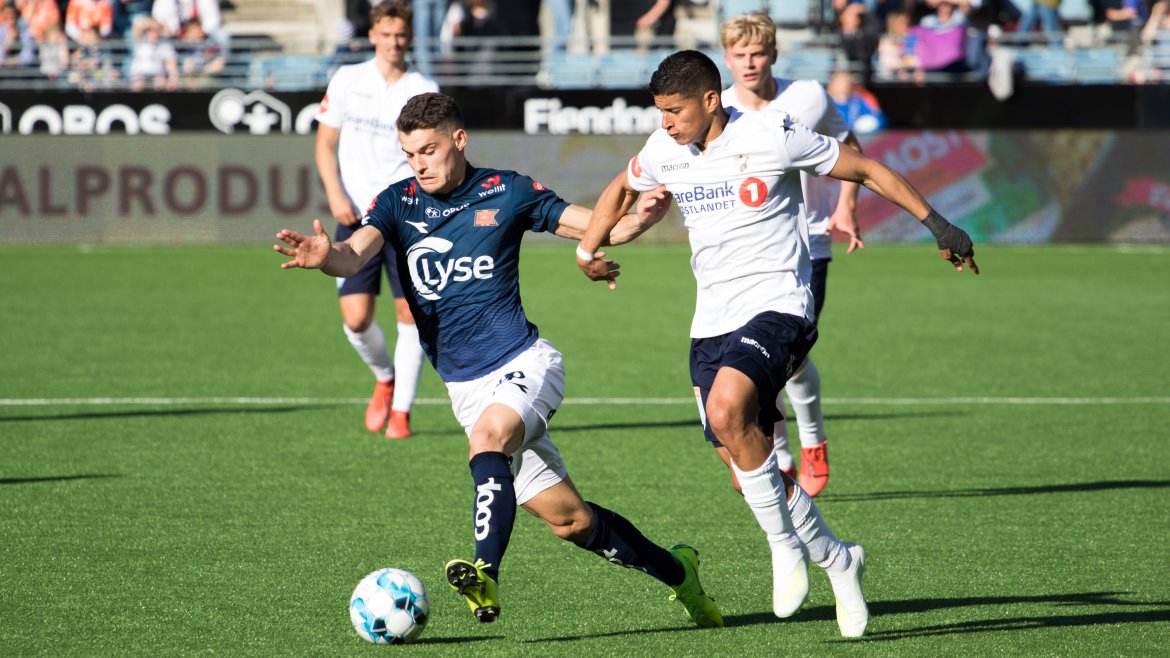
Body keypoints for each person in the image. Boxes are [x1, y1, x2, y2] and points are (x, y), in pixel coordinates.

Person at [274, 91, 724, 630]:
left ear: (458, 141)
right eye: (409, 153)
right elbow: (355, 251)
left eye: (428, 150)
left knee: (487, 440)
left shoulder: (507, 192)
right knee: (572, 522)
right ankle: (680, 574)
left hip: (525, 364)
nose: (418, 163)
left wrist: (639, 217)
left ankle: (485, 571)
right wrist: (328, 260)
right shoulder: (397, 202)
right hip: (465, 390)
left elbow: (604, 228)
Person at [577, 49, 978, 637]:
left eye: (674, 111)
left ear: (711, 101)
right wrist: (589, 250)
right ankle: (839, 561)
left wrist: (938, 224)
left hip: (779, 308)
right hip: (709, 323)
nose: (665, 122)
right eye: (659, 112)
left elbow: (864, 169)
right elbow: (619, 186)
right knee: (746, 458)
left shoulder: (773, 134)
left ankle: (782, 548)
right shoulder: (666, 148)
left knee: (726, 411)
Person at [720, 12, 866, 498]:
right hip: (742, 255)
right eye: (739, 55)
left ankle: (812, 441)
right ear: (726, 58)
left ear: (774, 54)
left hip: (808, 244)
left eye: (757, 53)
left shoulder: (807, 97)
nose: (749, 63)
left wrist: (847, 206)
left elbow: (850, 146)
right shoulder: (716, 107)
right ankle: (777, 458)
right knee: (754, 369)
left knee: (788, 360)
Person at [315, 0, 436, 440]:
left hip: (406, 216)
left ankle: (401, 411)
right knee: (356, 319)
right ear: (373, 36)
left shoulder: (423, 86)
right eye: (386, 34)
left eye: (401, 34)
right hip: (357, 215)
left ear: (409, 37)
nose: (394, 42)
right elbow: (325, 143)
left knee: (409, 314)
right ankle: (384, 377)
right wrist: (335, 193)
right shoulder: (348, 79)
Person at [827, 69, 886, 135]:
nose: (844, 87)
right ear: (832, 85)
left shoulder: (858, 100)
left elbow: (879, 119)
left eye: (847, 84)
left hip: (860, 138)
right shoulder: (826, 103)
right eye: (840, 84)